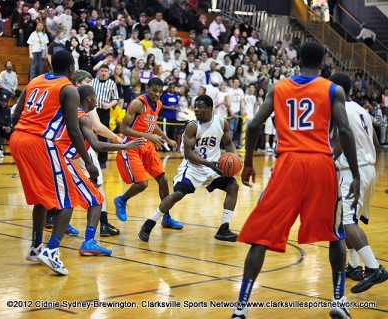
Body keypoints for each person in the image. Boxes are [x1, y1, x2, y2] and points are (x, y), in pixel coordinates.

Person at [231, 41, 360, 319]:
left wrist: (250, 163)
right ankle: (338, 300)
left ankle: (240, 307)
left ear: (297, 58)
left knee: (261, 238)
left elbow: (254, 125)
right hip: (321, 164)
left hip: (287, 163)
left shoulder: (279, 88)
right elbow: (346, 132)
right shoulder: (333, 89)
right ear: (324, 61)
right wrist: (356, 174)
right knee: (336, 233)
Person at [11, 50, 98, 275]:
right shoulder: (69, 89)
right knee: (67, 198)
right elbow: (74, 130)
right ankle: (51, 250)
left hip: (18, 138)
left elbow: (15, 115)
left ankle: (35, 246)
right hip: (40, 142)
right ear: (71, 68)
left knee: (42, 198)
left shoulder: (35, 81)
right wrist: (88, 162)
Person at [54, 85, 145, 254]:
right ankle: (85, 243)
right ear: (89, 98)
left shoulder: (71, 114)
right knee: (96, 199)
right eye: (95, 97)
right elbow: (96, 145)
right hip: (63, 160)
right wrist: (125, 145)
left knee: (67, 202)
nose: (97, 100)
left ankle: (45, 245)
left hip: (54, 158)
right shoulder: (84, 118)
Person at [138, 95, 239, 242]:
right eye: (195, 106)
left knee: (233, 186)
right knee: (178, 194)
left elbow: (229, 143)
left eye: (200, 107)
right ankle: (149, 223)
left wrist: (235, 158)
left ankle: (224, 228)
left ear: (210, 109)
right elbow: (189, 154)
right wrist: (209, 164)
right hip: (193, 167)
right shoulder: (192, 125)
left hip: (213, 168)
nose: (196, 109)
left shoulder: (222, 123)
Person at [330, 73, 388, 294]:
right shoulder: (362, 109)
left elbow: (338, 144)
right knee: (348, 220)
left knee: (346, 222)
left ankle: (374, 268)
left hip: (352, 171)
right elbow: (374, 139)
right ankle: (354, 266)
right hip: (370, 168)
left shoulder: (339, 110)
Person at [114, 77, 180, 227]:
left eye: (160, 92)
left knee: (163, 180)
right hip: (131, 145)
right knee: (142, 183)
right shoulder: (138, 103)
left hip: (146, 146)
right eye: (154, 90)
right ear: (147, 88)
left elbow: (152, 123)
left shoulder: (158, 104)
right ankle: (121, 200)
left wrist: (167, 139)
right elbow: (123, 129)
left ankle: (166, 217)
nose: (157, 94)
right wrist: (148, 136)